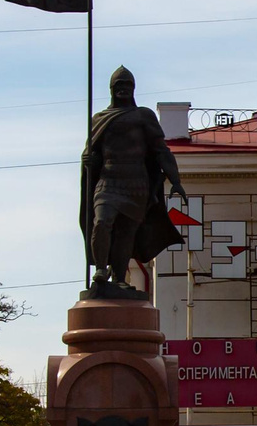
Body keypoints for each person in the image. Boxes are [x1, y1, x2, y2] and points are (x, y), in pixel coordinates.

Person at [79, 66, 189, 298]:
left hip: (136, 184)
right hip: (108, 181)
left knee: (125, 234)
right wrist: (87, 159)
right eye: (119, 86)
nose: (123, 90)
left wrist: (175, 180)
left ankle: (119, 279)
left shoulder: (143, 116)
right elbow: (92, 152)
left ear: (133, 89)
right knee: (102, 221)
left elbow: (161, 150)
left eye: (127, 86)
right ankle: (100, 270)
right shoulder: (99, 119)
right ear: (111, 89)